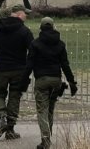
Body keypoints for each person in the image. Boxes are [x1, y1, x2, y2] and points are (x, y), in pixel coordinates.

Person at [21, 17, 77, 149]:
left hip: (41, 81)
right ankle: (48, 136)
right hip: (56, 81)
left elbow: (29, 64)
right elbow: (65, 65)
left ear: (41, 27)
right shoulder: (60, 44)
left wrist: (23, 80)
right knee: (50, 109)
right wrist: (72, 82)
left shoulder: (35, 44)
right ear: (53, 27)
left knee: (42, 110)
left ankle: (45, 139)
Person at [0, 4, 34, 140]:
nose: (26, 16)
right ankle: (10, 130)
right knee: (15, 96)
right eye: (25, 13)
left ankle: (2, 118)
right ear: (19, 14)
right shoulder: (25, 31)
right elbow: (32, 50)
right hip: (19, 69)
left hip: (2, 68)